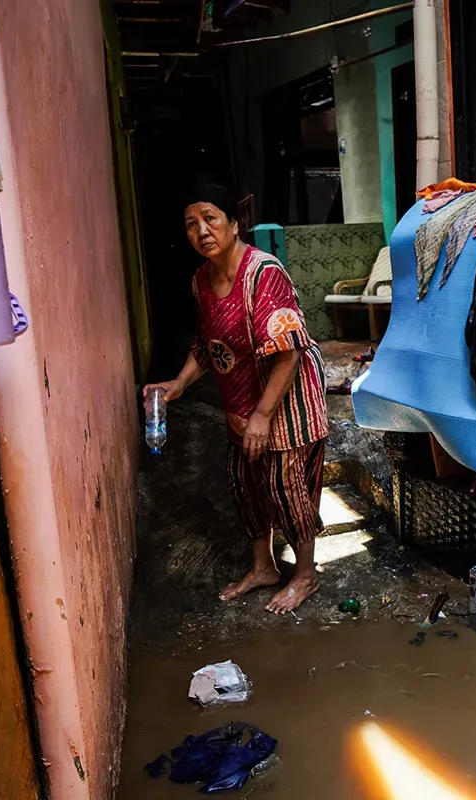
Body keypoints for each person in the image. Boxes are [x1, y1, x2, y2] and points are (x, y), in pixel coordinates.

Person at [143, 184, 329, 613]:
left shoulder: (264, 274)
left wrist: (263, 416)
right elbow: (208, 345)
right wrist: (179, 384)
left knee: (286, 486)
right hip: (242, 401)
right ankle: (263, 567)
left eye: (210, 218)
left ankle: (305, 575)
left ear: (233, 222)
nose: (202, 231)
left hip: (286, 401)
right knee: (245, 484)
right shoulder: (200, 281)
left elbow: (290, 350)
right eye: (192, 224)